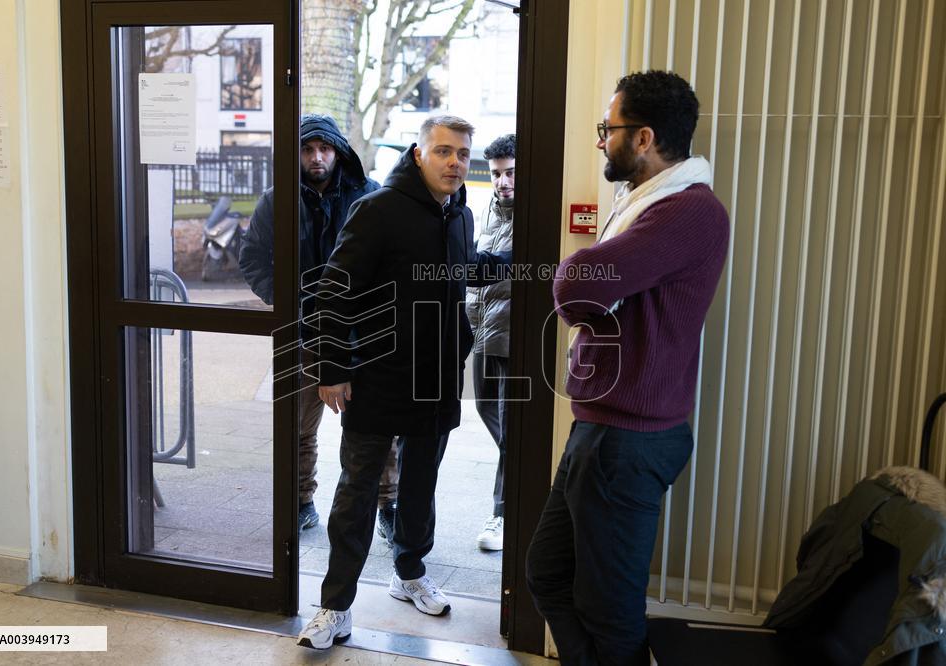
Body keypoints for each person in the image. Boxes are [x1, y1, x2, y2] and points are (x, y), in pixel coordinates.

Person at [525, 71, 730, 665]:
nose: (600, 140)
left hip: (627, 441)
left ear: (642, 138)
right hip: (605, 430)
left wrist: (579, 264)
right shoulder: (649, 206)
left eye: (607, 129)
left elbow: (574, 287)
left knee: (609, 613)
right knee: (547, 574)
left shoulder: (687, 213)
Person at [297, 115, 511, 650]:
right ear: (419, 154)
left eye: (463, 154)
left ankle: (409, 572)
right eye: (443, 151)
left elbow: (464, 269)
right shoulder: (377, 209)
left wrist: (524, 258)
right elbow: (334, 292)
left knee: (420, 484)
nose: (455, 162)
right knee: (356, 491)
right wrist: (333, 368)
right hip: (377, 376)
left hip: (436, 379)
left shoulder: (457, 214)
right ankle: (335, 607)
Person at [238, 114, 399, 536]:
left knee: (376, 428)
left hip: (361, 335)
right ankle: (301, 499)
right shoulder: (277, 200)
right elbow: (252, 258)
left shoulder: (369, 196)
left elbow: (391, 263)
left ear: (338, 151)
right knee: (298, 427)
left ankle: (388, 505)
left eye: (324, 149)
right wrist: (291, 303)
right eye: (308, 149)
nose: (317, 157)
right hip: (304, 332)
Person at [465, 133, 515, 551]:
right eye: (497, 174)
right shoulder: (490, 211)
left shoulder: (534, 212)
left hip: (515, 336)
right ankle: (530, 474)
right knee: (487, 411)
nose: (503, 182)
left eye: (511, 172)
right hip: (484, 332)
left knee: (513, 428)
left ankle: (502, 514)